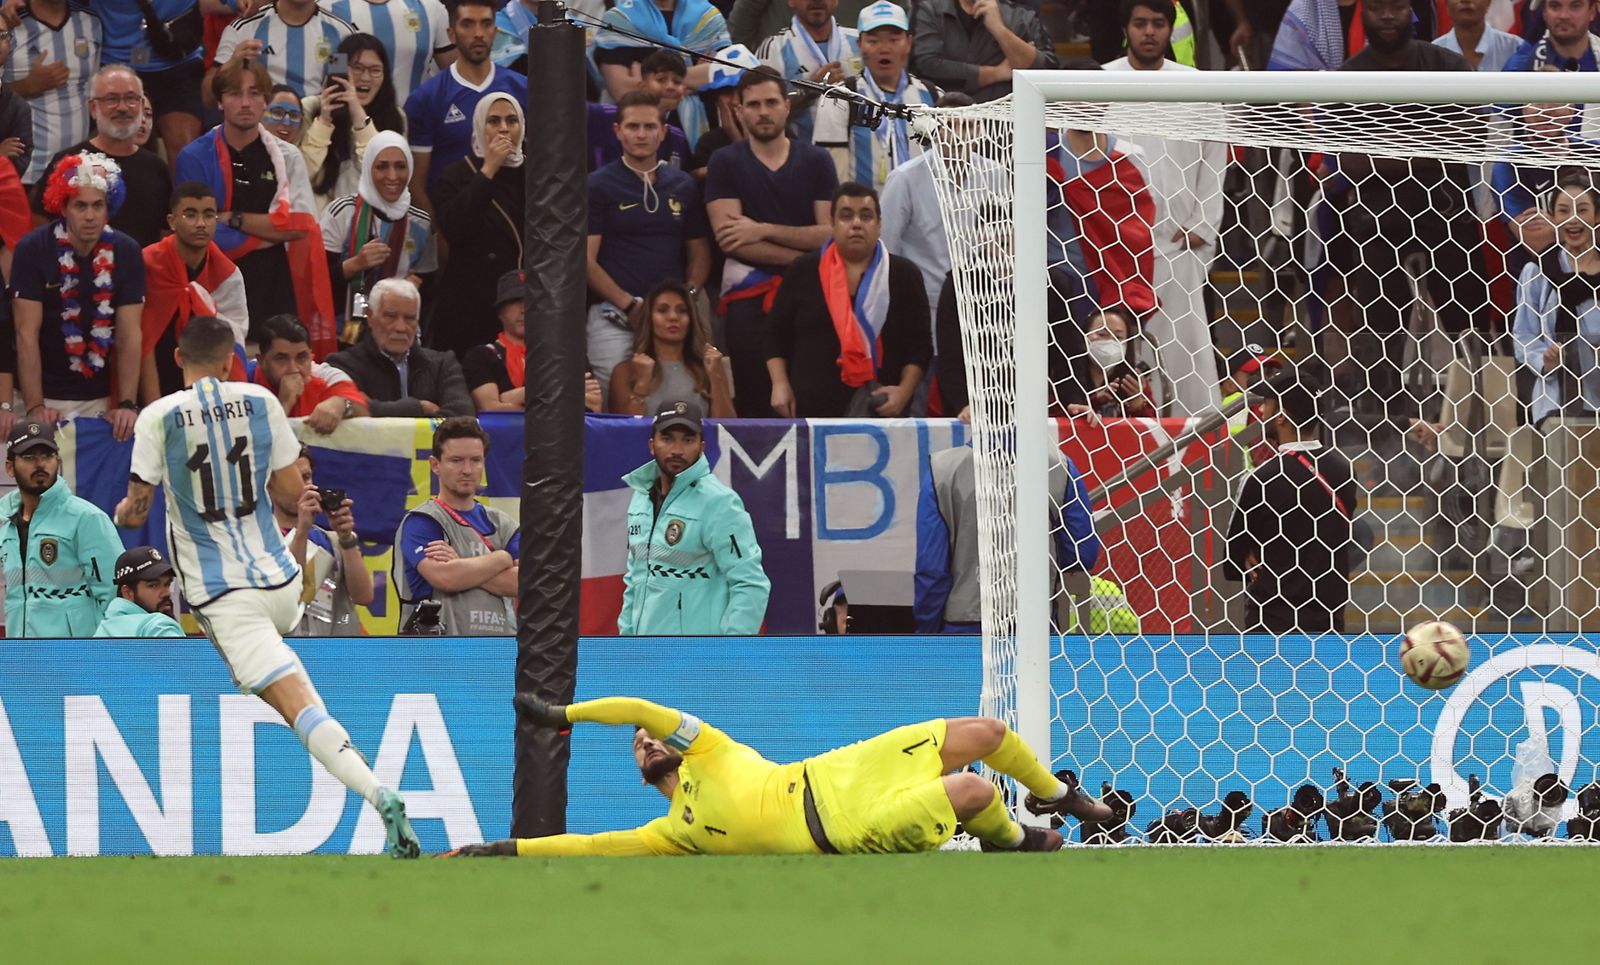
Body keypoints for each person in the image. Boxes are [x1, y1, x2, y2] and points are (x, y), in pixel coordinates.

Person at [113, 315, 420, 859]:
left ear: (178, 360)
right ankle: (375, 788)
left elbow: (137, 509)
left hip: (224, 594)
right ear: (233, 361)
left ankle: (376, 792)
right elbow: (286, 487)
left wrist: (126, 506)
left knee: (300, 709)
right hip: (282, 578)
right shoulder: (261, 401)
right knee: (297, 682)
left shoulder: (159, 416)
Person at [444, 693, 1114, 856]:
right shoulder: (673, 830)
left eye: (648, 738)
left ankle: (1058, 795)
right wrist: (501, 847)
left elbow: (641, 707)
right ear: (641, 772)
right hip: (842, 826)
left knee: (984, 734)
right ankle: (1016, 840)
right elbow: (589, 846)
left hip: (835, 771)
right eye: (637, 746)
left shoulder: (709, 747)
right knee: (970, 788)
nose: (645, 738)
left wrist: (564, 713)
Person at [1335, 0, 1485, 415]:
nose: (1387, 17)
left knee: (1468, 318)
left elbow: (1472, 136)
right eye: (1378, 8)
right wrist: (1428, 148)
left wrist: (1387, 152)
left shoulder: (1446, 65)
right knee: (1379, 329)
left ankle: (1481, 416)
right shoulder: (1348, 77)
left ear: (1411, 12)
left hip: (1445, 207)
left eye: (1397, 8)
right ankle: (1380, 424)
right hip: (1376, 215)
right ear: (1363, 14)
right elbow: (1346, 158)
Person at [1104, 0, 1226, 417]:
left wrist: (1203, 223)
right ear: (1126, 28)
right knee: (1116, 364)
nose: (1149, 32)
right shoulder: (1098, 82)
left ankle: (1200, 456)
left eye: (1158, 24)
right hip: (1115, 250)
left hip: (1177, 247)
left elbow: (1214, 156)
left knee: (1186, 360)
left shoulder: (1196, 86)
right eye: (1140, 23)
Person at [176, 57, 336, 352]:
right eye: (235, 94)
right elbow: (198, 233)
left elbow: (300, 227)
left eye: (254, 94)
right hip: (215, 293)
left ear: (265, 101)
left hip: (275, 296)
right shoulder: (194, 156)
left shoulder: (288, 157)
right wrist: (267, 234)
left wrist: (232, 217)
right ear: (221, 101)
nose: (245, 103)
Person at [705, 67, 837, 416]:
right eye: (753, 104)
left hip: (811, 298)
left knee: (812, 397)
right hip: (748, 301)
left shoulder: (817, 160)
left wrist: (761, 228)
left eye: (771, 102)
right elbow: (731, 240)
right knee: (755, 399)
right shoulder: (724, 162)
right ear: (739, 111)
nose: (763, 111)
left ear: (786, 106)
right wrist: (801, 258)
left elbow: (829, 234)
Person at [767, 182, 931, 418]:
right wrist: (780, 384)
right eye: (846, 216)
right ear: (832, 224)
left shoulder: (904, 274)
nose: (856, 224)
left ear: (879, 225)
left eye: (866, 216)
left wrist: (904, 392)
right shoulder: (804, 270)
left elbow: (920, 346)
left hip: (882, 409)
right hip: (813, 408)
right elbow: (775, 334)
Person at [585, 90, 712, 392]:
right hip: (614, 317)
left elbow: (699, 251)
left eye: (649, 127)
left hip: (672, 318)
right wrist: (630, 306)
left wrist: (688, 298)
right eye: (632, 127)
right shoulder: (597, 185)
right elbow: (584, 259)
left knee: (681, 399)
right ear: (618, 131)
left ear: (663, 132)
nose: (641, 135)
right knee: (614, 404)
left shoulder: (683, 185)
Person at [10, 152, 142, 436]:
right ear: (63, 207)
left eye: (98, 205)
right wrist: (35, 407)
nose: (90, 216)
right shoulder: (32, 249)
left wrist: (127, 404)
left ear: (109, 208)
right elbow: (25, 334)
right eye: (80, 206)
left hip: (102, 398)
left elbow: (129, 333)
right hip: (40, 397)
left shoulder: (127, 251)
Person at [915, 444, 1101, 633]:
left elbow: (931, 569)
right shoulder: (1060, 466)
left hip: (963, 625)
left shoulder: (942, 469)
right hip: (1035, 624)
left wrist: (927, 633)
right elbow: (1082, 554)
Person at [618, 400, 769, 634]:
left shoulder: (719, 502)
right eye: (667, 438)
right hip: (645, 657)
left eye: (687, 440)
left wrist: (729, 653)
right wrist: (625, 643)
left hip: (699, 660)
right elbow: (635, 578)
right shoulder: (640, 498)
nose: (677, 449)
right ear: (652, 445)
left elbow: (751, 584)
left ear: (701, 446)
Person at [1224, 370, 1356, 634]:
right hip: (1329, 626)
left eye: (1268, 403)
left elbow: (1232, 564)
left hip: (1271, 627)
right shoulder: (1344, 471)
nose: (1260, 409)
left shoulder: (1262, 478)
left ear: (1282, 415)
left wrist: (1252, 550)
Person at [394, 416, 518, 635]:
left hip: (498, 653)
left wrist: (460, 563)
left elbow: (525, 583)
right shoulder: (422, 520)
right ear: (435, 465)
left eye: (476, 460)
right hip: (437, 655)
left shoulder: (503, 523)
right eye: (456, 460)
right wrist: (502, 558)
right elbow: (446, 578)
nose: (467, 470)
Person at [402, 0, 526, 212]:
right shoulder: (425, 99)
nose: (478, 33)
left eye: (486, 24)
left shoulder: (523, 89)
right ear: (451, 34)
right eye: (468, 24)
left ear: (495, 31)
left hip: (513, 225)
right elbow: (416, 186)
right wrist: (439, 235)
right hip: (452, 229)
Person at [0, 419, 121, 637]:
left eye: (47, 456)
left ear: (57, 460)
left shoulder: (86, 518)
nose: (40, 464)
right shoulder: (3, 519)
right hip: (20, 656)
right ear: (9, 467)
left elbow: (116, 596)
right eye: (29, 457)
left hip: (75, 658)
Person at [880, 90, 992, 322]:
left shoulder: (996, 174)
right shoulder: (904, 178)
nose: (957, 135)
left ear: (979, 130)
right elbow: (886, 248)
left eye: (967, 126)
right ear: (934, 130)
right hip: (922, 303)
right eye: (949, 125)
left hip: (981, 303)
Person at [428, 90, 525, 356]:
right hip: (472, 304)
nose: (504, 129)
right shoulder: (456, 175)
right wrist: (489, 170)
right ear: (479, 126)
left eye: (511, 120)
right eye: (493, 121)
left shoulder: (535, 173)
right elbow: (455, 228)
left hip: (523, 301)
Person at [32, 65, 171, 247]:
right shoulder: (68, 162)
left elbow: (165, 232)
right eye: (111, 99)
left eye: (131, 99)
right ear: (93, 108)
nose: (122, 107)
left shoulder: (157, 168)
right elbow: (40, 220)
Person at [140, 180, 250, 399]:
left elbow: (233, 339)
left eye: (209, 215)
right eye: (190, 215)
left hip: (206, 387)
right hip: (152, 381)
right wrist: (154, 407)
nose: (201, 223)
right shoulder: (147, 264)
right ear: (172, 221)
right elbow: (144, 339)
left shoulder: (227, 274)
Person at [813, 1, 938, 191]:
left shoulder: (932, 96)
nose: (884, 48)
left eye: (894, 40)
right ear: (859, 45)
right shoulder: (838, 99)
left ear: (909, 43)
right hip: (865, 216)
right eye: (873, 41)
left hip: (925, 216)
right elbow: (831, 178)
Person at [319, 130, 436, 327]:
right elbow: (317, 281)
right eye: (382, 167)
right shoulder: (341, 212)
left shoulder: (421, 223)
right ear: (368, 168)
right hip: (344, 332)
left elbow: (429, 287)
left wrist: (413, 288)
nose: (392, 176)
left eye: (400, 166)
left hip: (398, 331)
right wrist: (356, 264)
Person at [1512, 172, 1600, 427]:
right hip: (1555, 399)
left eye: (1582, 210)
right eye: (1563, 211)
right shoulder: (1537, 272)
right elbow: (1523, 335)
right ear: (1552, 218)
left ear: (1596, 216)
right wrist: (1544, 361)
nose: (1572, 219)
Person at [327, 276, 473, 416]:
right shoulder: (343, 365)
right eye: (390, 316)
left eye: (410, 318)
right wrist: (418, 408)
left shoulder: (443, 364)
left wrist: (376, 409)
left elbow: (462, 414)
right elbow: (352, 408)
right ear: (370, 317)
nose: (401, 327)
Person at [274, 445, 375, 635]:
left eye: (306, 477)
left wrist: (346, 538)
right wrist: (301, 530)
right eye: (293, 479)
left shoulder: (332, 541)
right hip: (283, 654)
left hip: (331, 656)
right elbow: (290, 594)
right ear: (270, 485)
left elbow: (364, 596)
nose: (304, 487)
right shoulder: (257, 544)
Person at [301, 33, 409, 212]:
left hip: (369, 223)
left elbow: (384, 178)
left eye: (375, 70)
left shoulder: (396, 118)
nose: (365, 78)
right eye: (357, 68)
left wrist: (359, 116)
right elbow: (301, 174)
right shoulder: (310, 108)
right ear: (340, 69)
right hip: (317, 224)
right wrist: (324, 122)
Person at [2, 0, 101, 188]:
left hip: (75, 172)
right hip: (22, 172)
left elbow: (94, 93)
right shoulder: (7, 22)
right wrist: (27, 86)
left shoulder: (90, 22)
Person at [611, 282, 733, 417]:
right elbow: (623, 432)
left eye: (682, 311)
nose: (673, 317)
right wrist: (641, 385)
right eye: (662, 310)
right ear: (649, 318)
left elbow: (727, 430)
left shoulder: (710, 367)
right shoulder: (625, 370)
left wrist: (716, 376)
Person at [755, 0, 861, 144]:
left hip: (857, 158)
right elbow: (763, 114)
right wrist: (812, 88)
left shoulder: (861, 42)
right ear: (791, 1)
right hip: (801, 159)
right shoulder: (774, 49)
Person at [909, 0, 1056, 102]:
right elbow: (923, 66)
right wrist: (997, 73)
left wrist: (999, 29)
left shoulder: (1023, 17)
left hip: (1004, 131)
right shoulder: (929, 9)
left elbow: (1046, 74)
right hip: (943, 127)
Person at [210, 0, 355, 100]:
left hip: (318, 128)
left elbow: (346, 93)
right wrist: (232, 65)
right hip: (259, 130)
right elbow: (208, 97)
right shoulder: (242, 29)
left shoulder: (342, 34)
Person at [594, 0, 729, 104]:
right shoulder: (618, 21)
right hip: (640, 128)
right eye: (660, 79)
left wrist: (650, 81)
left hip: (705, 131)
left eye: (674, 82)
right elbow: (623, 92)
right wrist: (698, 76)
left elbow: (728, 76)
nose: (671, 86)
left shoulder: (709, 19)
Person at [321, 0, 455, 105]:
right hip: (351, 125)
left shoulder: (431, 8)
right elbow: (333, 71)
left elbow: (453, 73)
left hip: (416, 125)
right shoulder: (328, 9)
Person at [254, 313, 370, 432]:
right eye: (281, 358)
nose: (294, 369)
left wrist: (342, 404)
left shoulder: (325, 380)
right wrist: (284, 403)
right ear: (262, 361)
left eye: (301, 357)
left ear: (311, 356)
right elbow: (258, 443)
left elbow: (364, 416)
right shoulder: (244, 381)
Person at [585, 50, 693, 171]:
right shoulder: (601, 115)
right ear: (642, 86)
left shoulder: (677, 137)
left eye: (677, 82)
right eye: (661, 79)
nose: (670, 87)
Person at [1082, 306, 1159, 417]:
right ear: (1085, 336)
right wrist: (1094, 401)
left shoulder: (1134, 379)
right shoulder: (1067, 374)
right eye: (1102, 334)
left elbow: (1154, 427)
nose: (1110, 341)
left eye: (1118, 337)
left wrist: (1137, 404)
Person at [94, 546, 186, 638]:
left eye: (167, 584)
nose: (166, 593)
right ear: (127, 593)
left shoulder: (103, 630)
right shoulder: (159, 627)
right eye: (154, 585)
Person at [1503, 0, 1600, 72]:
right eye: (1555, 6)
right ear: (1544, 12)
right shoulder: (1522, 65)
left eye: (1575, 6)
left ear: (1592, 12)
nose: (1564, 15)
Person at [1434, 0, 1524, 71]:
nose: (1466, 0)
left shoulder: (1516, 47)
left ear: (1488, 3)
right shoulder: (1431, 54)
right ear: (1447, 6)